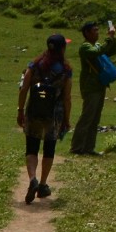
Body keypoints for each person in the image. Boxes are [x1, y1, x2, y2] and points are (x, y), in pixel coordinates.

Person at [16, 33, 72, 204]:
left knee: (31, 147)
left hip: (33, 110)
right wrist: (66, 120)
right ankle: (42, 184)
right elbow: (67, 97)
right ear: (62, 48)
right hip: (54, 114)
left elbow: (24, 88)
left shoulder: (35, 64)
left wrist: (20, 110)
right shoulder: (66, 70)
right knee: (49, 148)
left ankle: (32, 178)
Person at [68, 19, 116, 156]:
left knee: (95, 118)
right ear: (87, 33)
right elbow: (99, 51)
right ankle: (76, 147)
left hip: (99, 85)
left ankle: (89, 148)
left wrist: (113, 38)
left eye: (98, 30)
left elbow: (111, 50)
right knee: (87, 117)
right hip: (90, 87)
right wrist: (109, 38)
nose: (97, 33)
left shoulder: (95, 45)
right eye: (94, 30)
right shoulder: (85, 47)